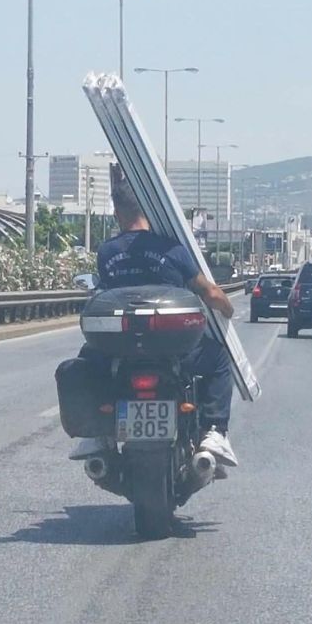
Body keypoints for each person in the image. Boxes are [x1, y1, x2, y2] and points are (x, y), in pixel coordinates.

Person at [69, 170, 238, 473]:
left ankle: (98, 433)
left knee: (87, 361)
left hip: (121, 353)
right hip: (174, 353)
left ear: (117, 211)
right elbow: (210, 293)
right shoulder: (171, 249)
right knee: (219, 360)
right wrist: (228, 310)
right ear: (148, 207)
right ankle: (214, 432)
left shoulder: (108, 253)